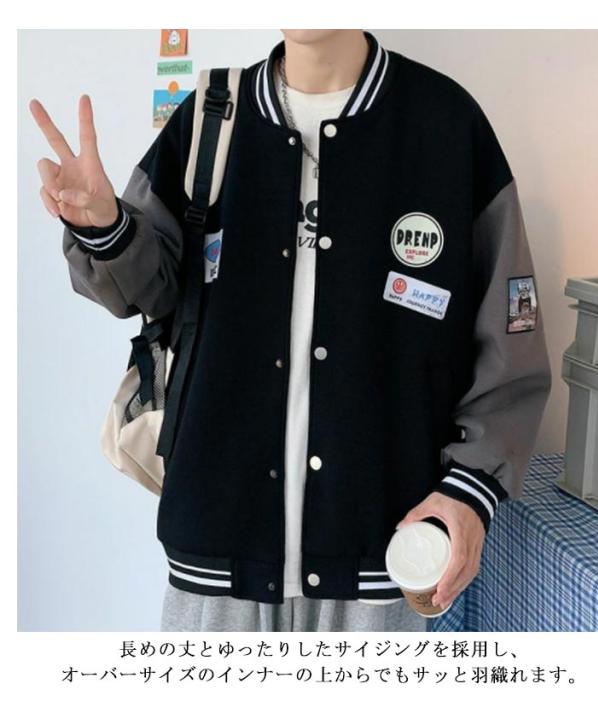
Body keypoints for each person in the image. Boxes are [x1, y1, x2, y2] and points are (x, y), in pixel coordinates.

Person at [30, 28, 552, 632]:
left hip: (385, 548)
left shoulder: (446, 124)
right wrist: (104, 227)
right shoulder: (209, 118)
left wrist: (470, 490)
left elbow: (512, 337)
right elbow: (148, 292)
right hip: (219, 547)